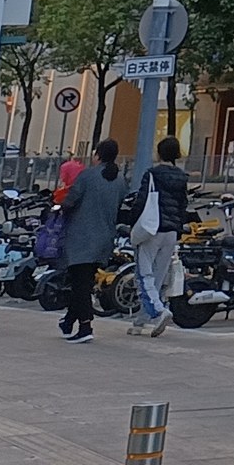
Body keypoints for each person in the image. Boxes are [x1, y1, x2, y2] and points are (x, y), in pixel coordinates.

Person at [56, 138, 128, 342]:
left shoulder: (87, 176)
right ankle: (68, 321)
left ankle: (85, 326)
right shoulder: (120, 180)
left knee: (80, 284)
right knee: (84, 281)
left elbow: (70, 201)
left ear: (98, 155)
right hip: (105, 238)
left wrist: (60, 206)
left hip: (82, 237)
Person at [125, 136, 190, 337]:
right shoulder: (182, 177)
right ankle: (141, 321)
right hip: (171, 231)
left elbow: (141, 201)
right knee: (158, 276)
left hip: (152, 229)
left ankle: (159, 311)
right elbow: (183, 205)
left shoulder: (152, 174)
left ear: (159, 153)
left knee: (144, 275)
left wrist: (132, 224)